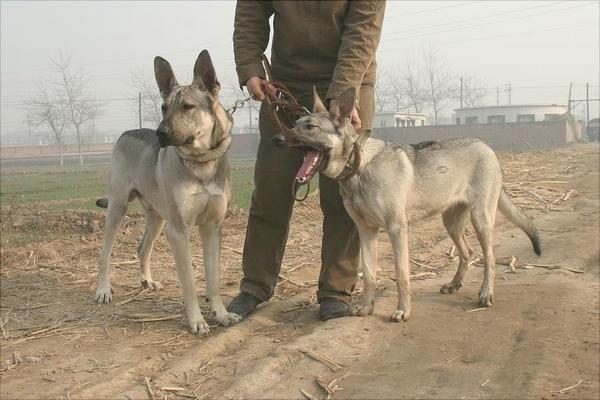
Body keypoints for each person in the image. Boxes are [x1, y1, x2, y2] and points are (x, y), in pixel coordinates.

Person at [228, 1, 386, 320]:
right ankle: (255, 285)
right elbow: (250, 12)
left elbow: (363, 29)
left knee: (344, 197)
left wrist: (343, 93)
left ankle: (336, 291)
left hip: (347, 83)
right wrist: (249, 68)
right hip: (287, 84)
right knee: (271, 189)